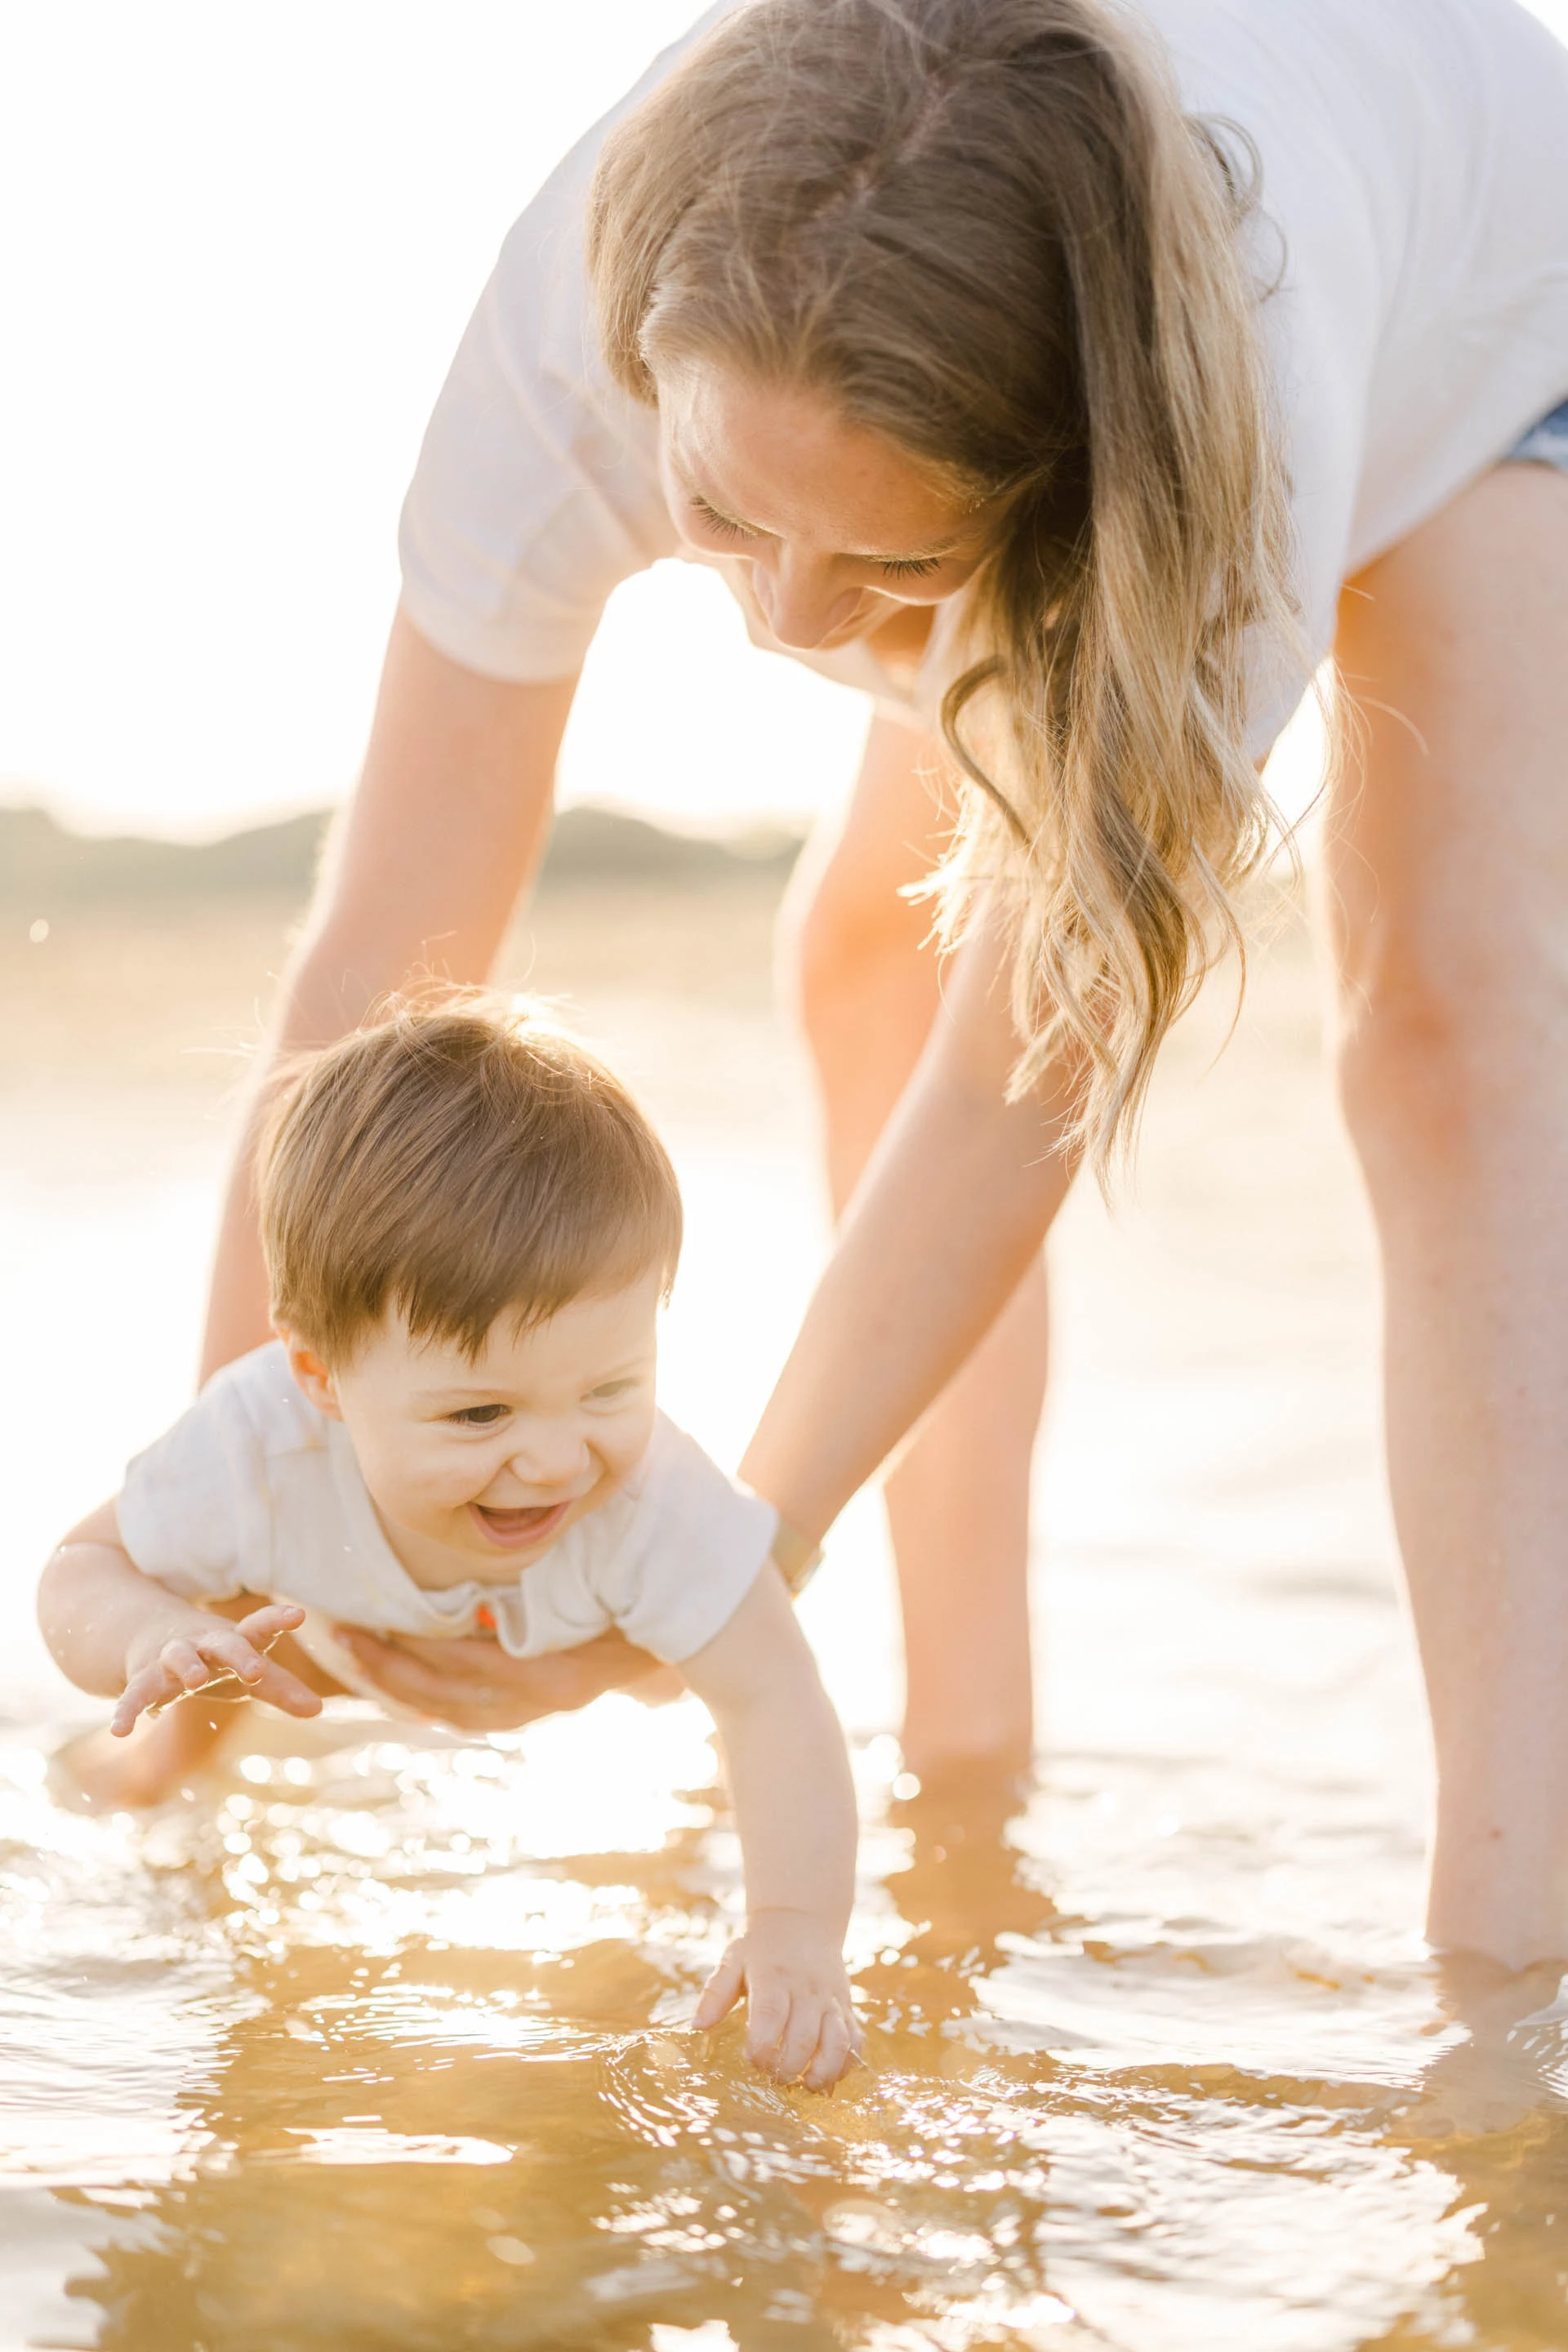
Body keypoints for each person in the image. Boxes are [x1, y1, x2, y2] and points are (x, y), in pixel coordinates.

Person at [198, 0, 1568, 1967]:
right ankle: (966, 1752)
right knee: (861, 949)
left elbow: (1013, 1088)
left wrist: (712, 1572)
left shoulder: (1222, 460)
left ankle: (1511, 1964)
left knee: (1453, 1023)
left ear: (1048, 490)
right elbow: (369, 981)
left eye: (890, 571)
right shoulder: (558, 338)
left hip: (1488, 276)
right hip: (1021, 368)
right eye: (730, 521)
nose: (784, 632)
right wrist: (236, 1542)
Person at [38, 998, 860, 2089]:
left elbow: (776, 1698)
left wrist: (797, 1925)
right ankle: (166, 1754)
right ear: (322, 1379)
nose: (560, 1462)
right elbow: (79, 1571)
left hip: (583, 1633)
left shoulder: (653, 1494)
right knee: (211, 1640)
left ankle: (686, 1831)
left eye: (611, 1387)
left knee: (709, 1690)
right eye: (482, 1416)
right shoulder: (255, 1450)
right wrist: (150, 1634)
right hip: (307, 1611)